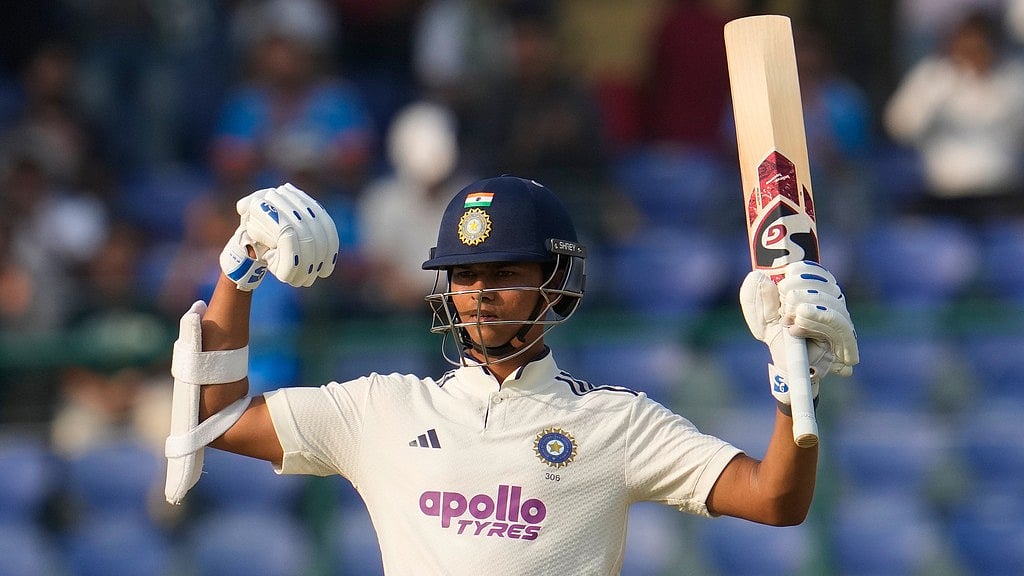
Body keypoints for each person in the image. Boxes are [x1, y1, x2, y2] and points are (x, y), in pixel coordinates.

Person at [164, 176, 859, 574]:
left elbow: (775, 501)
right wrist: (240, 272)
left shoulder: (616, 422)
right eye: (465, 275)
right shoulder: (382, 410)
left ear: (554, 283)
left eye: (504, 274)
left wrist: (794, 389)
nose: (480, 292)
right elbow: (217, 418)